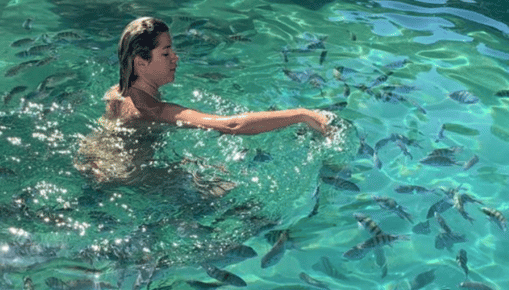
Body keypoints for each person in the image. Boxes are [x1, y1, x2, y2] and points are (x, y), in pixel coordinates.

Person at [75, 16, 331, 191]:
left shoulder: (118, 91)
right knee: (227, 190)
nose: (176, 57)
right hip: (124, 178)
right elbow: (231, 125)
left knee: (203, 170)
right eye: (165, 53)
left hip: (96, 161)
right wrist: (302, 114)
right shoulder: (151, 108)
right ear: (141, 62)